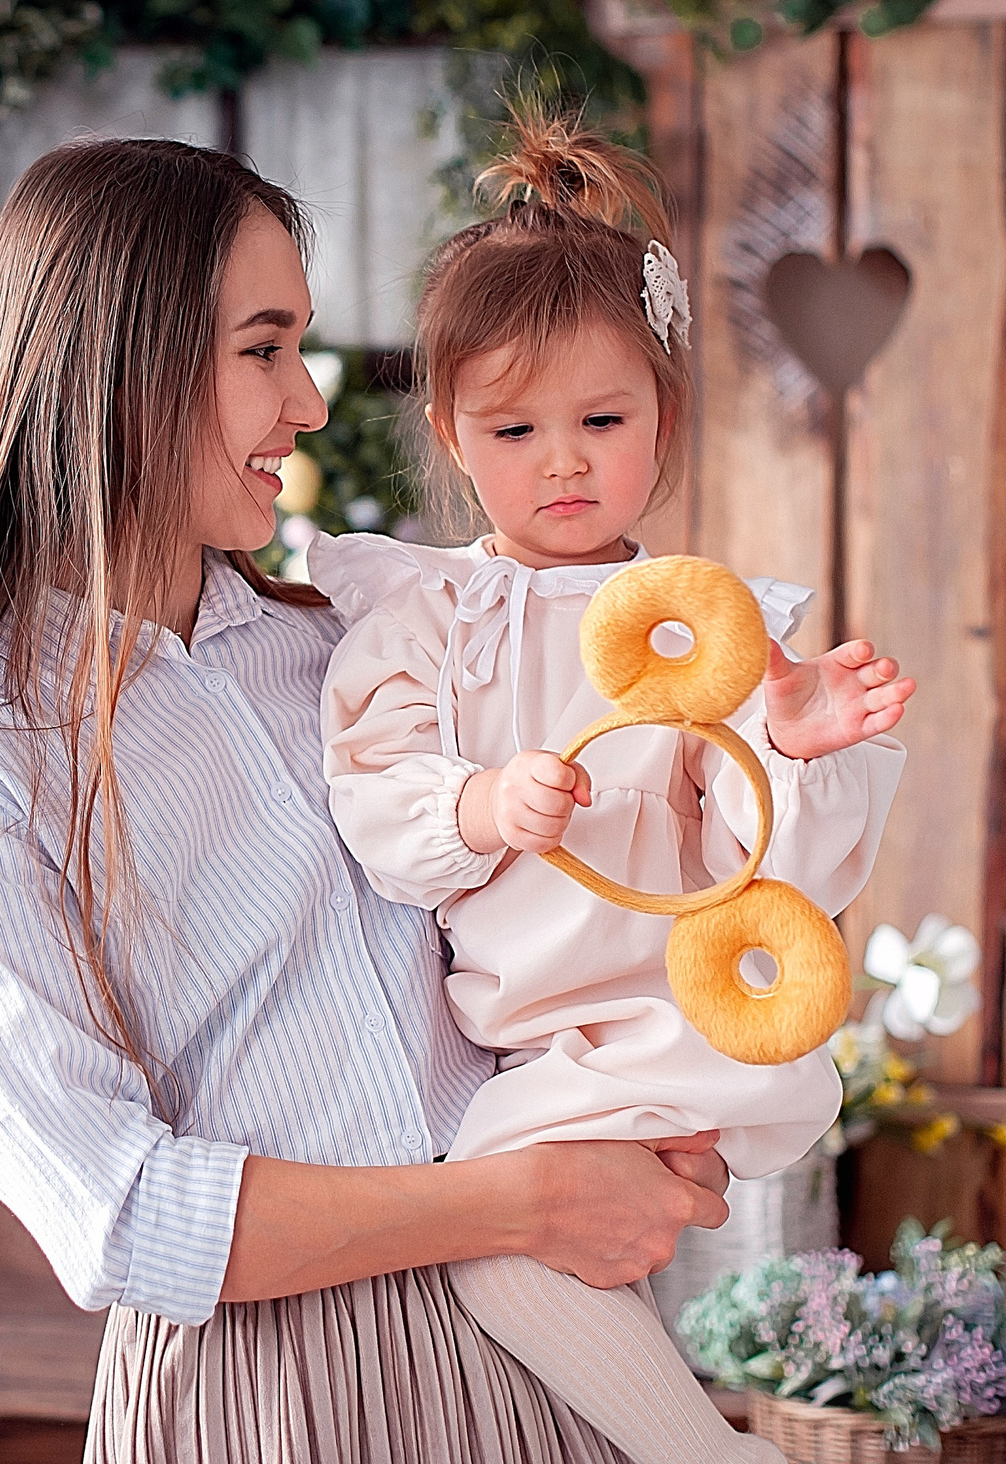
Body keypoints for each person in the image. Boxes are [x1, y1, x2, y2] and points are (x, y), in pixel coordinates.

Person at [0, 136, 737, 1463]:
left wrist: (648, 1124)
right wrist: (524, 1200)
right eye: (264, 348)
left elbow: (547, 944)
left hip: (544, 1341)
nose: (307, 401)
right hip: (263, 1395)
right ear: (117, 363)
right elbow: (119, 1217)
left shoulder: (352, 655)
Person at [312, 106, 914, 1461]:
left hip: (660, 1017)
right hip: (533, 1039)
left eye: (602, 417)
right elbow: (375, 800)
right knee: (545, 1264)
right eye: (514, 428)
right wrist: (482, 805)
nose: (565, 459)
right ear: (451, 435)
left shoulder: (709, 630)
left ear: (664, 415)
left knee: (496, 1236)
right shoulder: (429, 621)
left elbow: (773, 875)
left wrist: (793, 745)